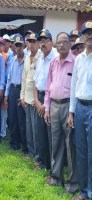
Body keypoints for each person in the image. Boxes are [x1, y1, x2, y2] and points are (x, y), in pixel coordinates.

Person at [43, 32, 78, 194]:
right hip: (55, 106)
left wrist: (72, 111)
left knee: (70, 145)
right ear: (56, 45)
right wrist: (47, 108)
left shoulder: (75, 62)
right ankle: (56, 178)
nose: (62, 44)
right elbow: (48, 86)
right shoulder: (54, 62)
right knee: (55, 143)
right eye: (60, 42)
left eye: (65, 42)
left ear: (70, 44)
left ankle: (72, 183)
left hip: (68, 107)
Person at [68, 20, 92, 200]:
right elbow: (74, 86)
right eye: (86, 33)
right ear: (82, 36)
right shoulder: (79, 59)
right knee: (82, 152)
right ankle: (84, 191)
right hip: (80, 109)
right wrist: (71, 112)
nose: (89, 36)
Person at [33, 29, 58, 170]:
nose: (42, 43)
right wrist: (36, 100)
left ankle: (51, 166)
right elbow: (36, 82)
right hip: (40, 98)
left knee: (51, 134)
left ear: (51, 42)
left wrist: (45, 105)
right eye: (41, 41)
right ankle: (42, 161)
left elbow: (54, 84)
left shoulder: (55, 58)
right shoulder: (40, 57)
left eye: (45, 40)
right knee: (40, 132)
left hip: (51, 100)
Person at [20, 33, 43, 161]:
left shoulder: (41, 57)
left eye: (34, 41)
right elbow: (24, 78)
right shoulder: (27, 57)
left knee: (36, 129)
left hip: (36, 99)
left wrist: (37, 99)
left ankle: (38, 156)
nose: (31, 44)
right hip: (27, 98)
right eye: (29, 41)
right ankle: (30, 152)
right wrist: (22, 96)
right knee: (29, 127)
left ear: (38, 43)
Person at [4, 34, 27, 151]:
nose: (18, 48)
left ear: (24, 45)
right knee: (12, 117)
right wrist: (6, 95)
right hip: (13, 90)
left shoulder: (27, 59)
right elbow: (9, 78)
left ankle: (24, 144)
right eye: (16, 45)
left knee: (22, 119)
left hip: (22, 91)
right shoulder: (12, 60)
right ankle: (14, 142)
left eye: (20, 45)